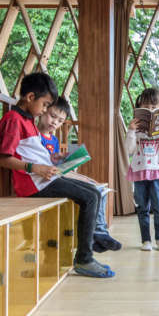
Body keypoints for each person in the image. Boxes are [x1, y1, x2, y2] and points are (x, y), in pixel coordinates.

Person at [0, 72, 115, 278]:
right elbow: (4, 158)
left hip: (44, 178)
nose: (45, 110)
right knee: (90, 196)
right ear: (30, 97)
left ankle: (87, 245)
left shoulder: (28, 121)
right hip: (34, 184)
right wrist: (36, 168)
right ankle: (85, 257)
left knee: (93, 191)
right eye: (45, 105)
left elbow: (30, 152)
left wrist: (54, 160)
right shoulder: (14, 120)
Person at [37, 96, 122, 253]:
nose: (55, 122)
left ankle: (100, 232)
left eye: (60, 120)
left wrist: (60, 158)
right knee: (93, 190)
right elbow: (39, 162)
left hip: (56, 174)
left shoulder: (54, 140)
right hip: (45, 179)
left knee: (98, 187)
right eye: (52, 116)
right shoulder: (34, 136)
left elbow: (52, 161)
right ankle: (97, 234)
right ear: (42, 111)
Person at [125, 87, 159, 251]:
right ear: (140, 107)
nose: (150, 110)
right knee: (142, 207)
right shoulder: (136, 127)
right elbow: (129, 150)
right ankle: (146, 240)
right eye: (146, 107)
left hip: (158, 169)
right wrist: (131, 131)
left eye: (154, 108)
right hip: (140, 170)